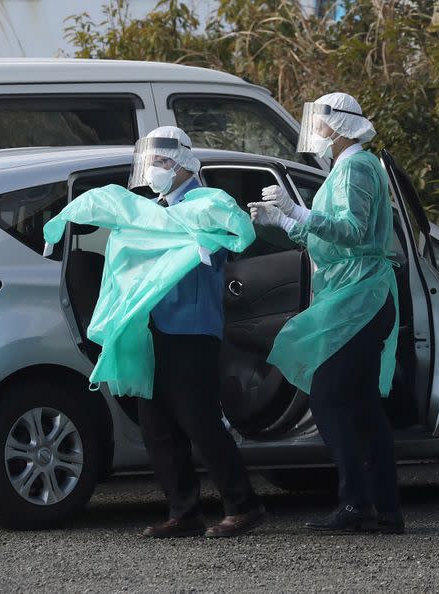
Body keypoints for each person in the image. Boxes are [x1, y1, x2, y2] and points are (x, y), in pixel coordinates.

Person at [248, 93, 404, 534]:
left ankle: (358, 504)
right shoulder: (350, 167)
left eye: (321, 123)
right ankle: (384, 509)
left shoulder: (355, 167)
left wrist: (297, 211)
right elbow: (330, 240)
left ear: (339, 127)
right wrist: (284, 223)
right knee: (361, 404)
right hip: (358, 296)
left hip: (360, 298)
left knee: (329, 397)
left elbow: (352, 232)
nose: (315, 131)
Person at [128, 126, 267, 538]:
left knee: (199, 419)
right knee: (156, 423)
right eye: (151, 160)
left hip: (191, 327)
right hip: (154, 325)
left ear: (183, 162)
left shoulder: (208, 202)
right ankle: (183, 510)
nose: (154, 168)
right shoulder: (156, 207)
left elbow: (230, 240)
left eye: (161, 160)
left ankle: (244, 504)